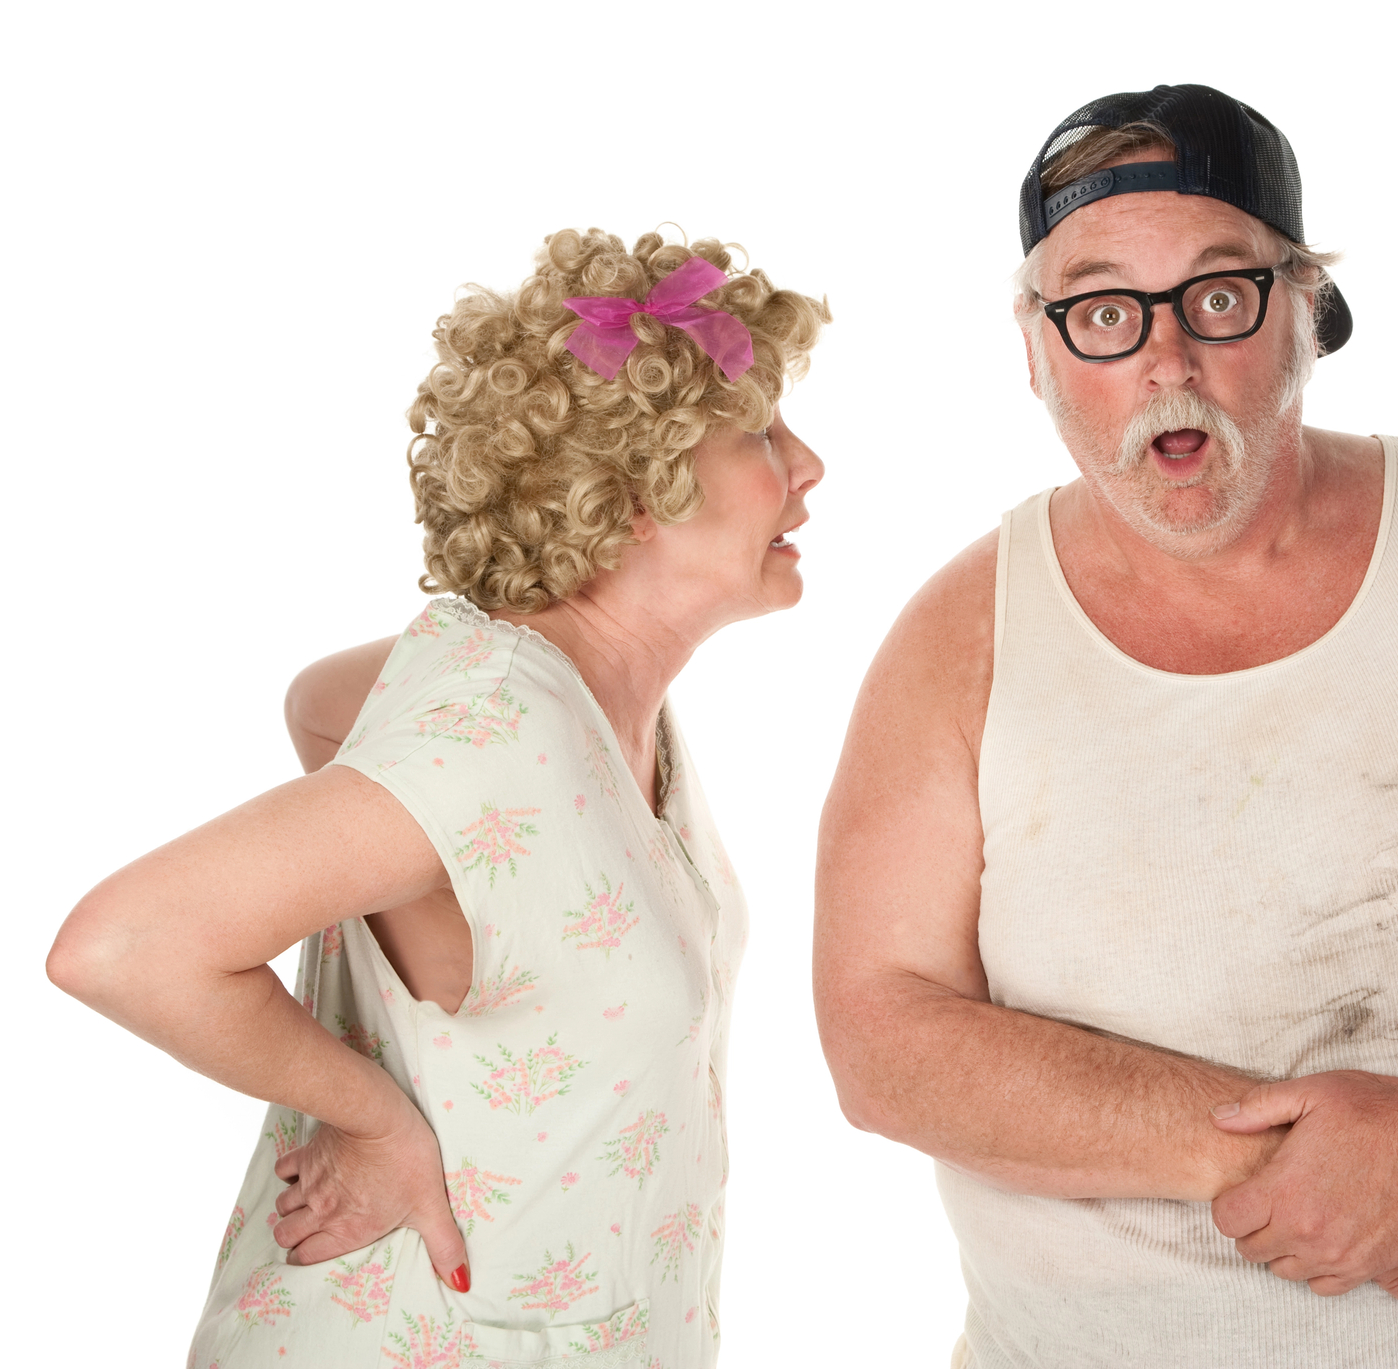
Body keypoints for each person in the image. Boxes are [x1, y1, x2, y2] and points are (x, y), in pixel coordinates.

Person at [814, 84, 1398, 1367]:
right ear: (1033, 349)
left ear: (1305, 307)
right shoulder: (956, 640)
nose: (1163, 360)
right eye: (1099, 311)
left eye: (1216, 296)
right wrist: (1301, 1155)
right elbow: (879, 1033)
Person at [48, 227, 827, 1368]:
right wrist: (374, 1115)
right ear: (628, 495)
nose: (807, 465)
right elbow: (120, 945)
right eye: (760, 430)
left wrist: (418, 911)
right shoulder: (498, 737)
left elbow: (321, 700)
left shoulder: (581, 700)